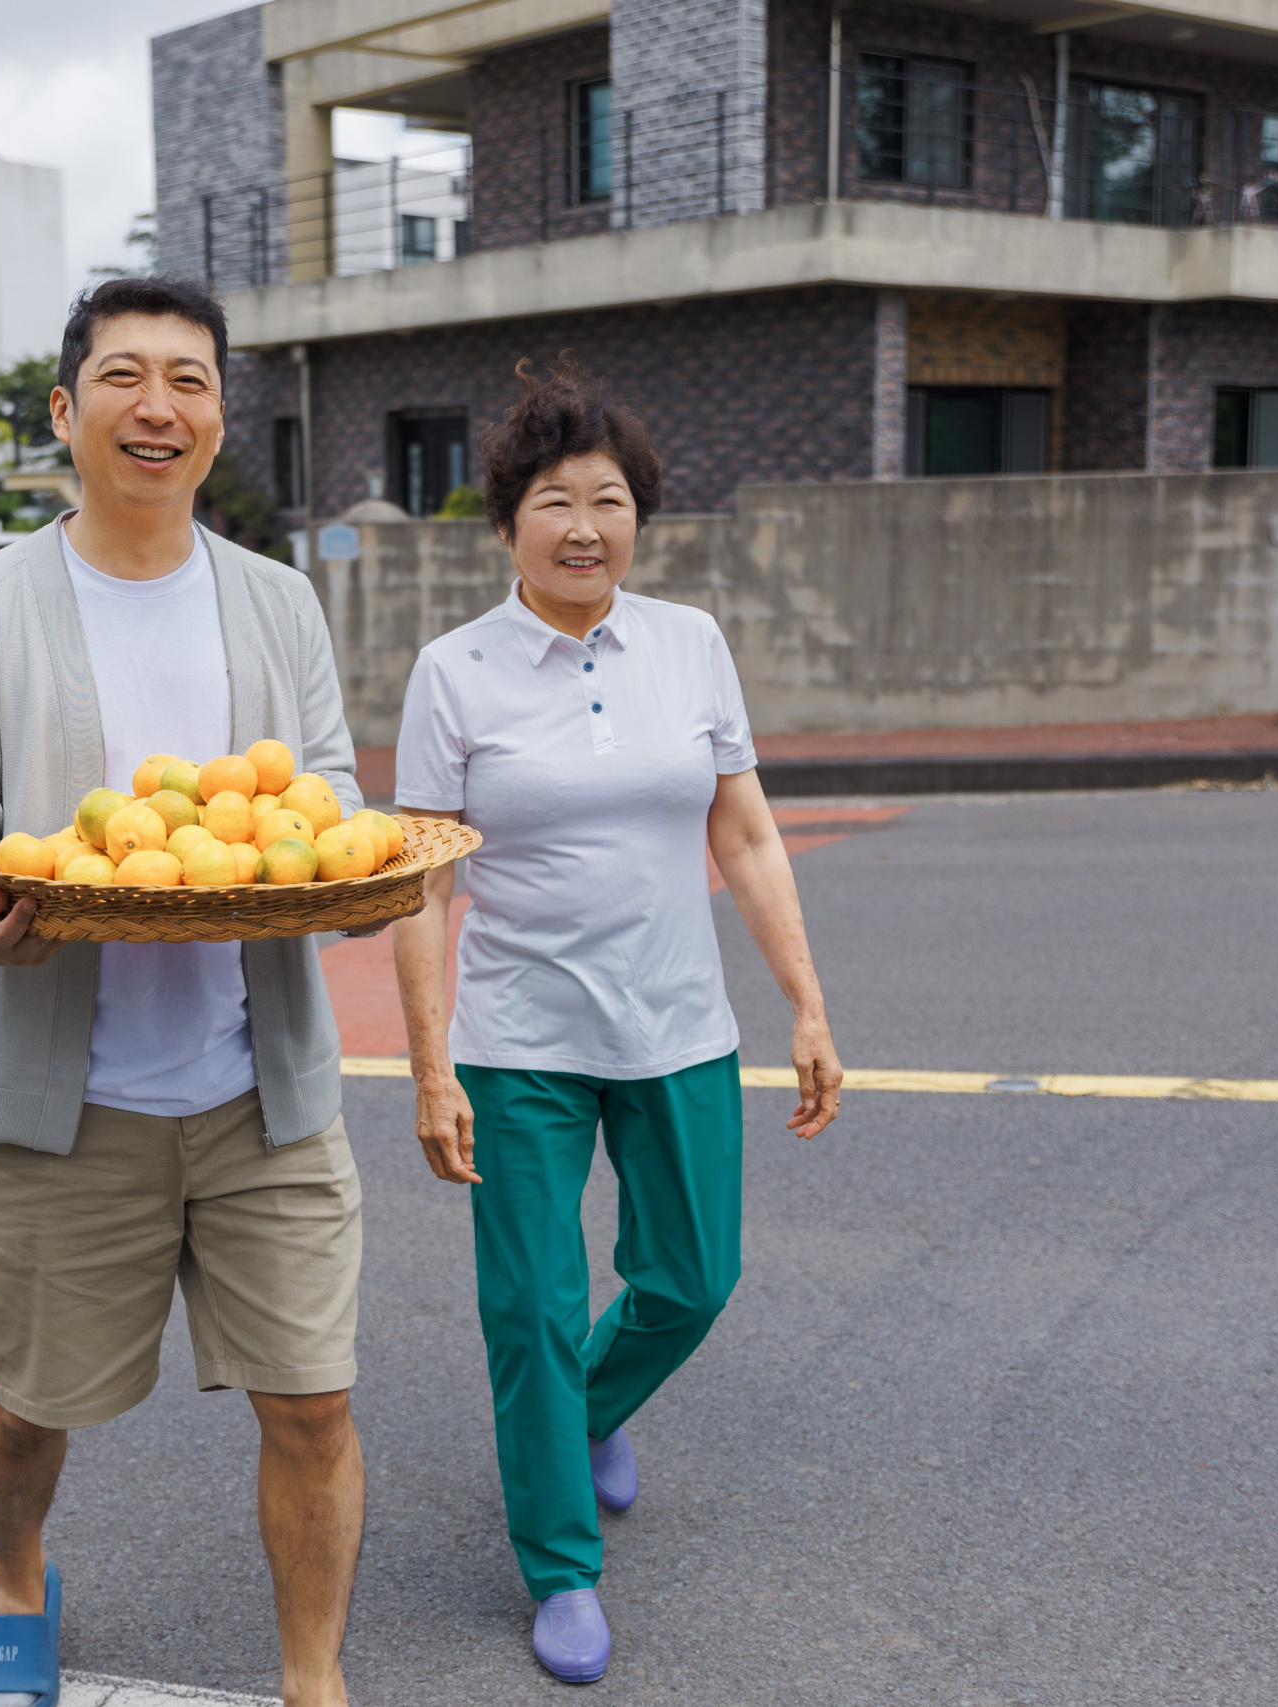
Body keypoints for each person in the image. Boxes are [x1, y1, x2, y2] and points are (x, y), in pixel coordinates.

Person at [0, 276, 367, 1707]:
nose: (157, 406)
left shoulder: (278, 602)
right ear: (66, 407)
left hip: (259, 1086)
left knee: (315, 1401)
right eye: (123, 376)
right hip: (66, 1100)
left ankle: (312, 1681)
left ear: (221, 417)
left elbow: (327, 787)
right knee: (35, 1410)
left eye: (191, 380)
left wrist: (336, 867)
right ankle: (18, 1581)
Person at [387, 360, 843, 1685]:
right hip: (520, 1035)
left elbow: (745, 835)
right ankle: (560, 1563)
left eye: (608, 500)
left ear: (637, 516)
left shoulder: (690, 643)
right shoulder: (454, 673)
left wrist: (806, 1004)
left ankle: (578, 1419)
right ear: (508, 524)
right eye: (553, 502)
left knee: (694, 1277)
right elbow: (425, 882)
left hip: (679, 1023)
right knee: (531, 1304)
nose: (584, 526)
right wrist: (428, 1066)